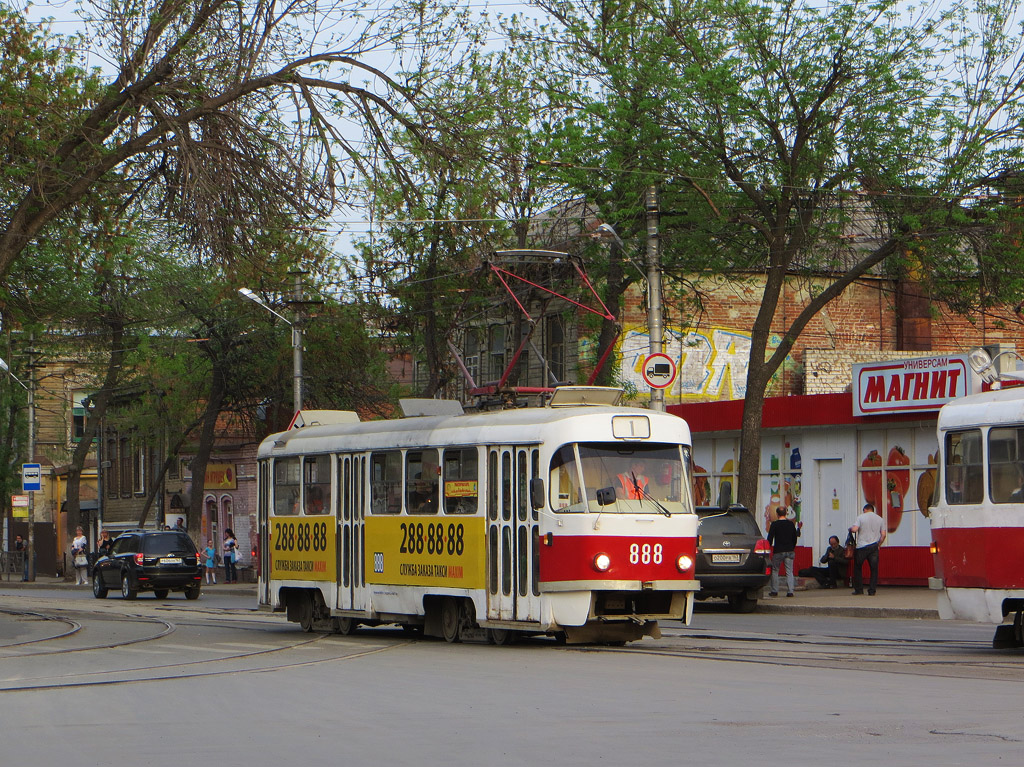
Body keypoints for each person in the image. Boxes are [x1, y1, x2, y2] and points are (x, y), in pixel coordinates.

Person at [850, 502, 886, 595]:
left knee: (858, 568)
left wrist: (850, 529)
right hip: (874, 546)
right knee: (874, 569)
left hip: (862, 546)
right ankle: (872, 590)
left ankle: (859, 589)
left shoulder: (861, 517)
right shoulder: (880, 519)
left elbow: (854, 529)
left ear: (865, 510)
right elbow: (883, 535)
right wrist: (879, 544)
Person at [766, 506, 801, 597]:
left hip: (778, 551)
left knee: (775, 570)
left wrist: (768, 548)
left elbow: (770, 538)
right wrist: (792, 547)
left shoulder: (774, 524)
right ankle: (790, 591)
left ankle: (774, 591)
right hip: (789, 550)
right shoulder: (790, 524)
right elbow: (794, 538)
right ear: (786, 513)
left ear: (777, 514)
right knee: (789, 571)